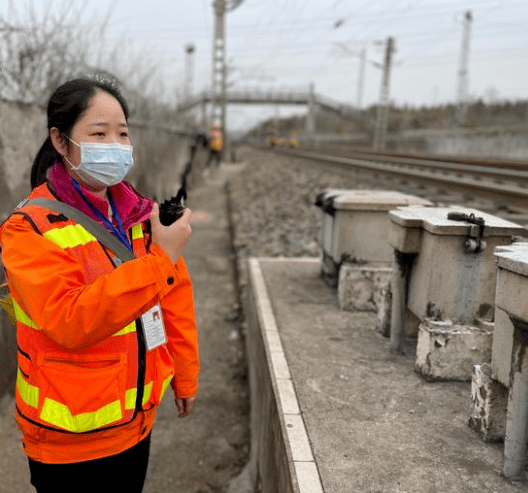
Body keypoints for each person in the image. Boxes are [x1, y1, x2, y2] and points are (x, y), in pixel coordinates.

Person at [0, 77, 200, 493]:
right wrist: (161, 258)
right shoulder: (29, 229)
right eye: (99, 133)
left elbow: (173, 299)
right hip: (68, 442)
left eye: (123, 133)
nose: (115, 143)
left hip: (135, 424)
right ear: (59, 140)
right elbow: (70, 319)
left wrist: (184, 374)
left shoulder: (143, 216)